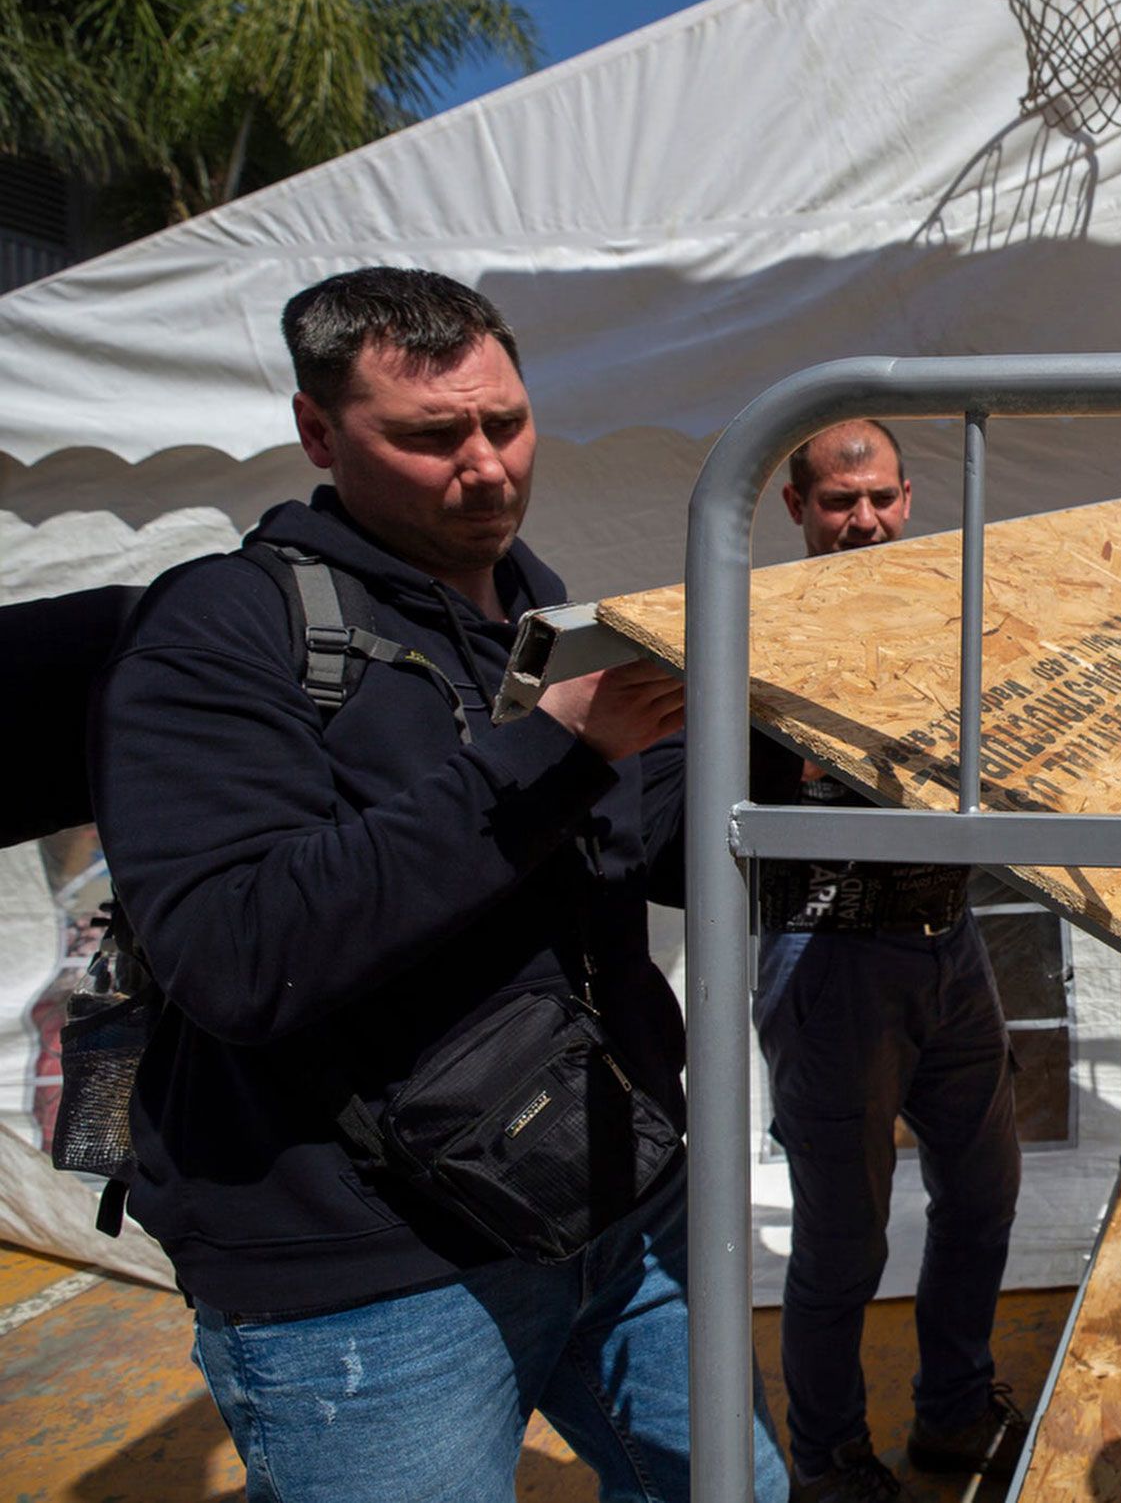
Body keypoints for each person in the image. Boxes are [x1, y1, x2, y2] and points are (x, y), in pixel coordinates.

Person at [88, 267, 789, 1502]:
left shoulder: (535, 602)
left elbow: (633, 846)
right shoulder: (218, 631)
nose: (489, 466)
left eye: (506, 422)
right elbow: (238, 950)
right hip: (367, 1273)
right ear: (317, 431)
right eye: (431, 435)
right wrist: (552, 748)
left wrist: (790, 759)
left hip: (621, 1205)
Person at [758, 419, 1025, 1503]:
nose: (862, 520)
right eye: (837, 502)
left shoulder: (948, 617)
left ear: (908, 498)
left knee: (983, 1194)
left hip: (945, 940)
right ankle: (828, 1464)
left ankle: (954, 1414)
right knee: (841, 1242)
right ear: (798, 510)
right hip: (829, 954)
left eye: (878, 500)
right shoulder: (753, 630)